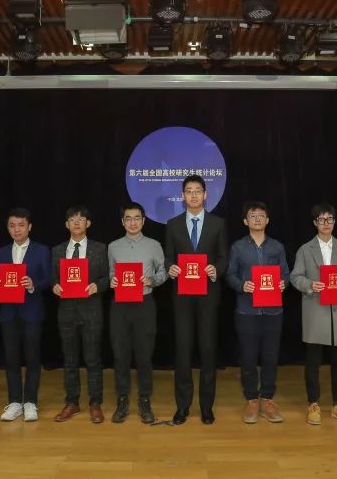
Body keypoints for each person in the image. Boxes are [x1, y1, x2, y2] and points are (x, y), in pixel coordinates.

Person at [164, 174, 229, 425]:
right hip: (182, 296)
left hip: (208, 296)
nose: (193, 195)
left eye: (197, 191)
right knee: (182, 351)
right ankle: (182, 406)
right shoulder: (172, 224)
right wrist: (170, 268)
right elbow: (168, 257)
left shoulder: (218, 224)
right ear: (183, 196)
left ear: (205, 195)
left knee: (208, 351)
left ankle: (206, 407)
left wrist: (216, 269)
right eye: (189, 191)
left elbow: (223, 257)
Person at [290, 203, 337, 426]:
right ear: (315, 223)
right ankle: (313, 404)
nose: (326, 223)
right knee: (313, 362)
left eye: (330, 219)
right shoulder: (305, 249)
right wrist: (310, 284)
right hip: (315, 310)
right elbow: (295, 277)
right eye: (321, 219)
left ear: (334, 222)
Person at [226, 201, 289, 425]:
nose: (257, 219)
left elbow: (286, 274)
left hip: (273, 311)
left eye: (261, 215)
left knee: (271, 357)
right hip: (247, 311)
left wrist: (283, 284)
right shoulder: (238, 247)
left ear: (267, 220)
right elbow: (230, 275)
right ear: (245, 221)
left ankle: (268, 399)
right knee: (248, 357)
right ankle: (252, 399)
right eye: (253, 216)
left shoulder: (277, 247)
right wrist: (242, 285)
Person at [107, 202, 167, 424]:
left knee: (144, 355)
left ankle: (144, 400)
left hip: (144, 304)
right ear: (122, 222)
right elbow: (111, 272)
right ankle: (122, 401)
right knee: (120, 355)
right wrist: (113, 281)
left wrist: (152, 280)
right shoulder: (113, 247)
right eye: (128, 218)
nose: (133, 222)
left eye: (137, 218)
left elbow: (163, 272)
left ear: (143, 220)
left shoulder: (154, 245)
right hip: (120, 305)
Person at [51, 206, 110, 424]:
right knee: (70, 359)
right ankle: (72, 402)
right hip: (66, 311)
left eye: (81, 219)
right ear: (67, 224)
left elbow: (108, 277)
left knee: (93, 359)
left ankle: (95, 403)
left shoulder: (100, 248)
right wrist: (55, 286)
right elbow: (52, 278)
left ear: (88, 223)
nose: (76, 222)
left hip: (92, 310)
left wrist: (98, 286)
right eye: (72, 219)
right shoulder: (57, 250)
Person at [0, 208, 51, 423]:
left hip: (32, 312)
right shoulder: (1, 252)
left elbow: (49, 279)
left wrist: (33, 284)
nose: (16, 229)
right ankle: (15, 402)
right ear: (8, 228)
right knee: (11, 359)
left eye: (21, 225)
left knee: (33, 358)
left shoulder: (42, 250)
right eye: (12, 225)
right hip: (8, 313)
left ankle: (31, 402)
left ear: (29, 227)